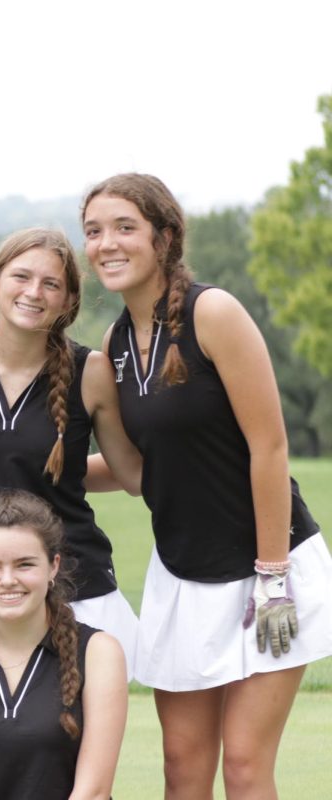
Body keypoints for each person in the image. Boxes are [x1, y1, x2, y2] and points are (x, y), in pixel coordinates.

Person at [82, 173, 332, 798]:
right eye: (92, 231)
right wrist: (41, 470)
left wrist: (273, 577)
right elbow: (144, 468)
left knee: (245, 767)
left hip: (265, 571)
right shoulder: (114, 343)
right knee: (182, 768)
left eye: (123, 228)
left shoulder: (212, 312)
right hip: (182, 575)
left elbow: (268, 447)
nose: (106, 243)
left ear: (164, 237)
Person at [0, 227, 143, 671]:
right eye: (21, 277)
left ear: (68, 300)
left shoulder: (90, 371)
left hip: (78, 582)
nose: (34, 292)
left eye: (51, 283)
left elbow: (130, 472)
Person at [0, 490, 127, 800]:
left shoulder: (99, 652)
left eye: (24, 565)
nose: (7, 580)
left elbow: (93, 792)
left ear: (53, 566)